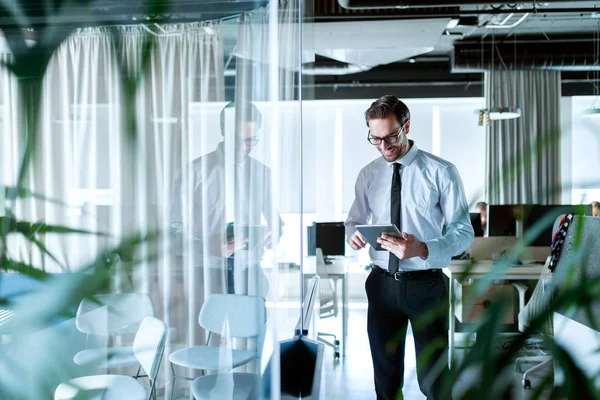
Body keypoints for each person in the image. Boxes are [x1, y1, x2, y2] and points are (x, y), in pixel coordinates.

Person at [345, 95, 474, 400]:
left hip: (426, 286)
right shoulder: (368, 174)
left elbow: (463, 231)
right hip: (381, 285)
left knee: (434, 381)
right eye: (375, 138)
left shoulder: (441, 171)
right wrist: (353, 235)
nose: (384, 145)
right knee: (386, 382)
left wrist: (424, 248)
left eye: (391, 136)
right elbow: (354, 221)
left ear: (406, 126)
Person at [170, 100, 282, 296]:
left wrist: (274, 233)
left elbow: (276, 221)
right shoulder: (192, 173)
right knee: (208, 326)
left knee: (252, 326)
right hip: (205, 274)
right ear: (223, 129)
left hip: (250, 272)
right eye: (237, 138)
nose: (243, 147)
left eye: (250, 140)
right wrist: (205, 246)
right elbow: (171, 230)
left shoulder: (262, 173)